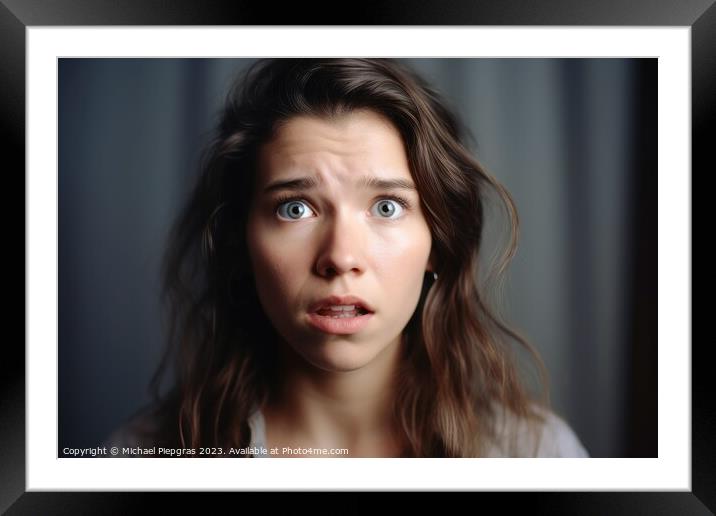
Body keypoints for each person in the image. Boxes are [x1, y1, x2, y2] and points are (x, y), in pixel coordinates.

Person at [106, 58, 588, 458]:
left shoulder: (539, 456)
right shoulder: (142, 457)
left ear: (438, 242)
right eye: (295, 208)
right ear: (239, 244)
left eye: (386, 207)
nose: (340, 258)